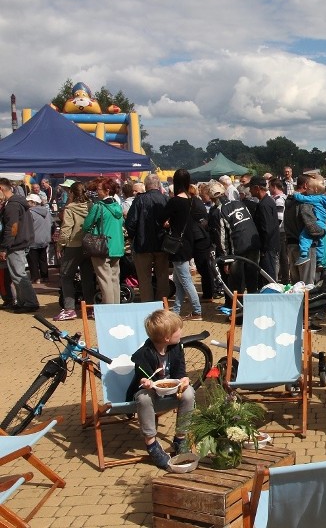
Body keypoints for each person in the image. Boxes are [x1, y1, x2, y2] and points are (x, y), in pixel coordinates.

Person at [127, 309, 195, 469]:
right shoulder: (144, 354)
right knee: (143, 397)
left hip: (171, 390)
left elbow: (180, 370)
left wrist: (183, 379)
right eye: (178, 330)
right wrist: (145, 382)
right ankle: (151, 444)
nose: (181, 331)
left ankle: (180, 439)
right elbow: (142, 376)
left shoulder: (176, 347)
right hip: (152, 391)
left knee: (189, 392)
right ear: (166, 337)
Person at [160, 169, 203, 320]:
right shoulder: (192, 201)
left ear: (175, 182)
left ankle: (197, 311)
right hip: (188, 243)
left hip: (177, 245)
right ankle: (176, 311)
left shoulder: (174, 201)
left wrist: (168, 223)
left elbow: (161, 219)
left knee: (185, 280)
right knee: (178, 281)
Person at [126, 174, 171, 303]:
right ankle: (162, 304)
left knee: (144, 278)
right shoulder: (166, 199)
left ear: (146, 186)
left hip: (142, 244)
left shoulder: (139, 200)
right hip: (162, 243)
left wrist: (133, 237)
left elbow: (130, 223)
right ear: (159, 185)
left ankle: (147, 304)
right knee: (162, 276)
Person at [54, 182, 95, 320]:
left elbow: (66, 229)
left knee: (66, 275)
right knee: (87, 276)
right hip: (89, 245)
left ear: (71, 193)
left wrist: (60, 245)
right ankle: (90, 308)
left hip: (73, 244)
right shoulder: (91, 206)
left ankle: (69, 309)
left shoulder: (70, 208)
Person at [82, 177, 125, 305]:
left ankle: (109, 310)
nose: (97, 191)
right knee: (114, 280)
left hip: (102, 247)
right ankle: (116, 307)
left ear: (107, 190)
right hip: (117, 247)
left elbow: (86, 225)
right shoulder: (118, 206)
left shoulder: (98, 206)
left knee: (104, 281)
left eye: (99, 189)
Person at [0, 177, 39, 312]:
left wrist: (4, 247)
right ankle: (24, 301)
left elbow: (12, 227)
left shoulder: (12, 205)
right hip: (21, 242)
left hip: (15, 244)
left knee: (18, 274)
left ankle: (30, 302)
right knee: (17, 274)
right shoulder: (17, 203)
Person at [282, 175, 324, 285]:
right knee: (307, 285)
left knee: (296, 284)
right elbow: (311, 226)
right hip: (304, 247)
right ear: (306, 185)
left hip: (291, 245)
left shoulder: (289, 200)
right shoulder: (304, 202)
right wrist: (322, 231)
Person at [291, 175, 326, 267]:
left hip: (317, 221)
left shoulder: (316, 198)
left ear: (315, 190)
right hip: (322, 222)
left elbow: (304, 199)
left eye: (309, 189)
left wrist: (296, 195)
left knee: (304, 236)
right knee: (320, 240)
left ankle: (304, 254)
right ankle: (320, 259)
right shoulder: (322, 198)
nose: (307, 191)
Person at [248, 176, 281, 282]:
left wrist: (263, 249)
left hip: (268, 249)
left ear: (257, 188)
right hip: (270, 247)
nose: (249, 190)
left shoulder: (264, 205)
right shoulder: (268, 201)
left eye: (251, 188)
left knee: (268, 278)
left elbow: (267, 229)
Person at [25, 193, 51, 284]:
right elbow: (51, 224)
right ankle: (45, 276)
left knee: (33, 260)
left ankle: (35, 278)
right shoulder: (46, 211)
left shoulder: (30, 213)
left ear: (33, 202)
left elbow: (26, 226)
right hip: (44, 239)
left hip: (33, 239)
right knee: (43, 259)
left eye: (28, 201)